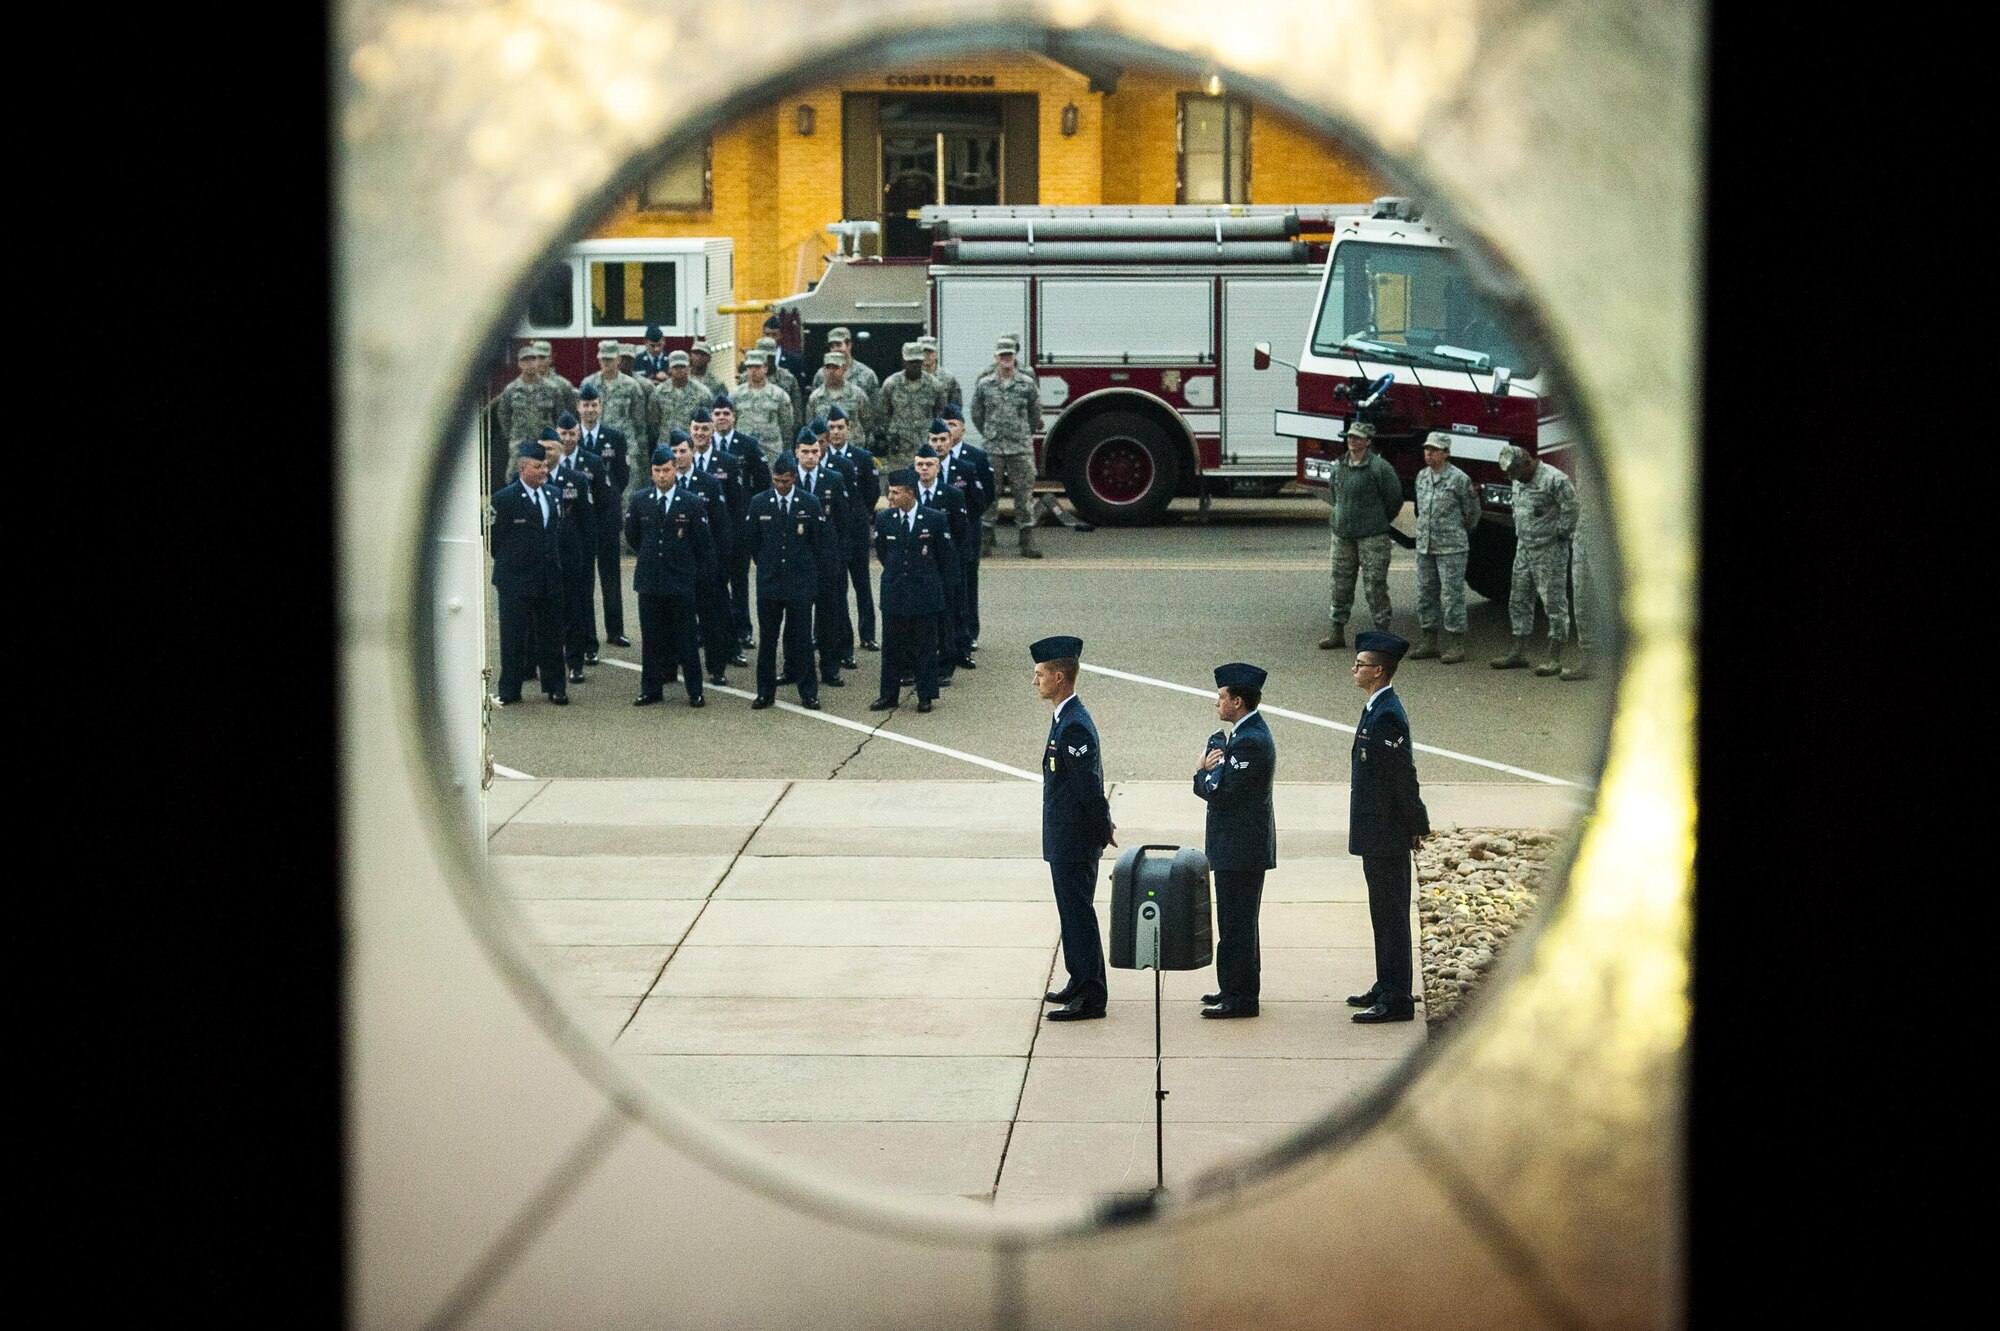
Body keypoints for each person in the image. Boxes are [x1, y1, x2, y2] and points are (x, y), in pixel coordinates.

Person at [1347, 631, 1430, 1023]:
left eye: (1361, 664)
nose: (1355, 669)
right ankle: (1387, 982)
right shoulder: (1375, 709)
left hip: (1387, 832)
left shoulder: (1388, 714)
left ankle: (1397, 998)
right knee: (1382, 913)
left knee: (1392, 914)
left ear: (1378, 670)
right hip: (1375, 830)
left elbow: (1402, 776)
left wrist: (1417, 823)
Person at [1032, 635, 1115, 1021]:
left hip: (1075, 838)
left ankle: (1091, 995)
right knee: (1071, 913)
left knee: (1079, 914)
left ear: (1060, 677)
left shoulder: (1074, 727)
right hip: (1065, 835)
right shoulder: (1064, 717)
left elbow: (1087, 788)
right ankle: (1078, 978)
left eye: (1040, 674)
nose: (1035, 681)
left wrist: (1103, 828)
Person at [1193, 662, 1277, 1019]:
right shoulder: (1244, 736)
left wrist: (1201, 772)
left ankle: (1240, 998)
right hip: (1238, 847)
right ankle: (1234, 987)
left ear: (1238, 702)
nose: (1217, 703)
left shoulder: (1250, 743)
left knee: (1237, 925)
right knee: (1235, 923)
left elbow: (1223, 792)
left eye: (1222, 697)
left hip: (1241, 849)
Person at [624, 444, 714, 708]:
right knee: (651, 639)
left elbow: (702, 543)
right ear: (651, 473)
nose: (662, 476)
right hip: (650, 580)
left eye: (666, 470)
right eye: (657, 471)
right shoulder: (640, 500)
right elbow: (633, 537)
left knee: (686, 639)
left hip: (680, 581)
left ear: (675, 469)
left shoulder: (691, 502)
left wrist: (692, 574)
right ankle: (651, 688)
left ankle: (694, 690)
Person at [741, 452, 832, 711]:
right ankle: (765, 692)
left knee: (802, 640)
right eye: (777, 480)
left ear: (793, 477)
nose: (780, 486)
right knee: (768, 640)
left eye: (785, 481)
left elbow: (819, 543)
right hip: (770, 583)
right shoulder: (759, 503)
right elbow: (753, 542)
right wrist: (767, 564)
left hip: (799, 583)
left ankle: (808, 692)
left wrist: (805, 571)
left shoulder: (809, 503)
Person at [489, 441, 569, 706]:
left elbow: (556, 534)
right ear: (523, 468)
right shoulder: (504, 499)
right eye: (537, 466)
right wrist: (513, 564)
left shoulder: (554, 495)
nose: (543, 470)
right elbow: (494, 540)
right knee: (513, 637)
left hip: (548, 578)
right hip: (516, 580)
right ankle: (510, 689)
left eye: (545, 465)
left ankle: (556, 686)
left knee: (552, 636)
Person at [1489, 443, 1579, 675]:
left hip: (1549, 549)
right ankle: (1519, 651)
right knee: (1518, 599)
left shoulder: (1554, 479)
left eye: (1516, 473)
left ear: (1528, 462)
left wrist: (1561, 532)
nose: (1514, 478)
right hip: (1524, 548)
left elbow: (1571, 506)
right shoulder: (1518, 479)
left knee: (1553, 603)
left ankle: (1554, 656)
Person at [868, 469, 948, 714]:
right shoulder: (884, 519)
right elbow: (883, 552)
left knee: (924, 647)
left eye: (895, 492)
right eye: (889, 492)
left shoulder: (933, 519)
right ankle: (888, 694)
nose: (890, 497)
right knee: (891, 647)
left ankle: (925, 695)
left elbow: (943, 556)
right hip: (895, 591)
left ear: (910, 493)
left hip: (923, 591)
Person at [1319, 420, 1403, 650]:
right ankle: (1337, 631)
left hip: (1372, 536)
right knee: (1340, 584)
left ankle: (1382, 633)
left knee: (1375, 585)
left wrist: (1377, 520)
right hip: (1343, 535)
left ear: (1367, 441)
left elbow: (1394, 499)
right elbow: (1335, 495)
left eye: (1357, 438)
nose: (1352, 442)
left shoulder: (1379, 468)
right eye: (1349, 437)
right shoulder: (1339, 467)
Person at [669, 432, 738, 686]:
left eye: (683, 451)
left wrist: (720, 564)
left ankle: (716, 667)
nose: (678, 457)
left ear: (692, 452)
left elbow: (721, 527)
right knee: (677, 619)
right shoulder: (666, 482)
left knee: (711, 619)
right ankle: (671, 665)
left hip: (704, 564)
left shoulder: (708, 483)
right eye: (674, 452)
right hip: (676, 565)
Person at [1407, 431, 1481, 664]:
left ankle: (1456, 643)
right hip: (1425, 546)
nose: (1428, 453)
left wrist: (1458, 531)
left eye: (1434, 450)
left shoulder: (1459, 479)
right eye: (1427, 449)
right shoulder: (1421, 477)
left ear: (1446, 453)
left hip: (1451, 547)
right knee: (1425, 593)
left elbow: (1472, 512)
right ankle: (1429, 640)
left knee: (1452, 595)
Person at [970, 335, 1045, 559]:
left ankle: (1026, 539)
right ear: (996, 357)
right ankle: (985, 538)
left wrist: (1023, 432)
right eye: (1002, 355)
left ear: (1014, 357)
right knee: (989, 493)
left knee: (1023, 493)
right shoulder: (985, 384)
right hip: (993, 446)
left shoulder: (1027, 383)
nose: (1006, 358)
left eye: (1009, 355)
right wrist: (990, 433)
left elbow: (1035, 413)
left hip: (1020, 447)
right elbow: (977, 413)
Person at [546, 422, 608, 681]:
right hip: (545, 559)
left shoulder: (576, 480)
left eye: (553, 449)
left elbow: (588, 522)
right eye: (545, 449)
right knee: (547, 614)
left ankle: (575, 663)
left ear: (561, 450)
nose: (548, 454)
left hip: (572, 557)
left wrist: (586, 556)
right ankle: (546, 665)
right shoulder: (534, 478)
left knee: (574, 610)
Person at [793, 432, 854, 688]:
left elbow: (843, 522)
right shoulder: (788, 478)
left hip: (827, 562)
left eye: (814, 452)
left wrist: (838, 557)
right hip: (797, 562)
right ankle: (793, 667)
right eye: (805, 452)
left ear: (821, 452)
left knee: (828, 619)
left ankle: (830, 668)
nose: (810, 457)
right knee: (797, 620)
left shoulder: (834, 479)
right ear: (797, 451)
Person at [573, 389, 631, 648]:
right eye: (585, 405)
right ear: (578, 407)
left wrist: (607, 497)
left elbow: (622, 475)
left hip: (607, 516)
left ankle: (615, 631)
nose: (590, 410)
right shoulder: (571, 438)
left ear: (601, 406)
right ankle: (586, 634)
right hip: (579, 519)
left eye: (594, 405)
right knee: (583, 579)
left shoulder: (615, 438)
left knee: (610, 576)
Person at [912, 439, 973, 682]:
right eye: (920, 465)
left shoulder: (952, 495)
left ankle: (944, 666)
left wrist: (955, 568)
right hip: (915, 567)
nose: (924, 469)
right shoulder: (909, 492)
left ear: (938, 467)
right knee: (914, 619)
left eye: (929, 464)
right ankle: (913, 665)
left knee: (944, 617)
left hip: (941, 568)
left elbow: (960, 534)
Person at [822, 405, 880, 651]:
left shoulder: (862, 457)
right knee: (837, 586)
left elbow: (872, 492)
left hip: (856, 530)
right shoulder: (821, 457)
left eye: (840, 427)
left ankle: (867, 634)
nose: (836, 432)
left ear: (849, 429)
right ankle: (839, 634)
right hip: (834, 532)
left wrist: (859, 515)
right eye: (832, 427)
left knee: (862, 583)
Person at [939, 404, 992, 649]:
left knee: (968, 582)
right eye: (946, 424)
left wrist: (966, 518)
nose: (950, 429)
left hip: (968, 528)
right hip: (941, 533)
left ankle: (970, 633)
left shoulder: (976, 457)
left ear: (962, 428)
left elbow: (986, 494)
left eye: (954, 424)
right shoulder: (932, 458)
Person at [874, 342, 946, 473]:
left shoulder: (935, 386)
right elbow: (883, 415)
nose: (914, 365)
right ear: (904, 361)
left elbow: (940, 414)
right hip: (899, 451)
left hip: (926, 448)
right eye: (911, 362)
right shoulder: (891, 384)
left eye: (918, 361)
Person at [579, 339, 652, 466]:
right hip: (596, 444)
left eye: (610, 359)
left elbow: (639, 422)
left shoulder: (631, 386)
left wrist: (642, 455)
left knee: (627, 484)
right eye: (603, 359)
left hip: (625, 445)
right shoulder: (589, 384)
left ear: (618, 359)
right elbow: (580, 417)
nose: (606, 363)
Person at [806, 351, 877, 454]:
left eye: (835, 367)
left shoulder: (857, 395)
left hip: (853, 450)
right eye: (827, 367)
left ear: (844, 369)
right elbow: (811, 425)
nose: (831, 371)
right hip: (826, 452)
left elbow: (867, 423)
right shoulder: (815, 397)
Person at [733, 349, 796, 450]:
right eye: (749, 367)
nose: (753, 371)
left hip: (770, 450)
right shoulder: (735, 395)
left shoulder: (779, 395)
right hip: (743, 448)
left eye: (757, 367)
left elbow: (786, 428)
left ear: (765, 368)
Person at [647, 349, 711, 448]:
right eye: (675, 367)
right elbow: (653, 423)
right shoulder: (658, 392)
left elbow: (708, 422)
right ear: (669, 369)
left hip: (692, 446)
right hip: (666, 445)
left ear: (689, 368)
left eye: (682, 366)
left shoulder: (702, 393)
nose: (679, 370)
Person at [810, 325, 880, 400]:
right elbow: (814, 404)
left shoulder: (867, 375)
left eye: (838, 345)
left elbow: (875, 408)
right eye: (832, 346)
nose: (835, 349)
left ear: (849, 345)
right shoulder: (821, 375)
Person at [916, 335, 961, 415]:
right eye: (923, 352)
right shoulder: (911, 377)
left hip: (940, 424)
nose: (926, 355)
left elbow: (956, 408)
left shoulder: (948, 379)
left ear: (936, 354)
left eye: (930, 352)